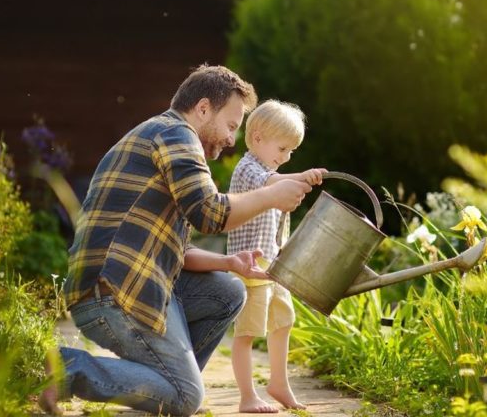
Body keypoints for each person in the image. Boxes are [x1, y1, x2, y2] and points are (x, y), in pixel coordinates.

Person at [39, 65, 313, 416]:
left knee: (229, 291)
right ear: (202, 109)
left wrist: (228, 263)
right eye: (230, 125)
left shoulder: (161, 136)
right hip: (113, 292)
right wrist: (271, 197)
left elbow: (178, 249)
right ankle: (68, 368)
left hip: (132, 283)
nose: (232, 139)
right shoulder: (175, 135)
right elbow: (210, 213)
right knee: (186, 398)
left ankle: (163, 391)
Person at [223, 99, 325, 413]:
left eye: (291, 152)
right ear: (257, 139)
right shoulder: (249, 168)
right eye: (282, 149)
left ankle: (278, 383)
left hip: (272, 264)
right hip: (250, 264)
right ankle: (247, 396)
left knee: (283, 320)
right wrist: (302, 175)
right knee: (248, 331)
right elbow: (272, 185)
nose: (285, 157)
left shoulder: (267, 167)